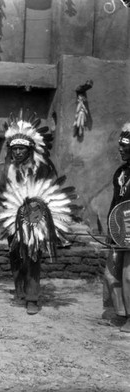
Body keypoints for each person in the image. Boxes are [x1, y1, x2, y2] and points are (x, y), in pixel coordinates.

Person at [0, 113, 58, 315]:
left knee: (32, 257)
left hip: (34, 218)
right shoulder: (8, 168)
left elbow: (49, 192)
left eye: (21, 148)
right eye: (14, 149)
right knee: (15, 254)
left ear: (30, 149)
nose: (17, 152)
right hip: (12, 217)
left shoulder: (41, 167)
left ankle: (32, 298)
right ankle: (20, 292)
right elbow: (3, 191)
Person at [104, 123, 130, 333]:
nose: (120, 149)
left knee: (129, 275)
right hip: (118, 230)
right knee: (111, 273)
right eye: (120, 145)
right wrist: (111, 228)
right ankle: (121, 314)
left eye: (126, 146)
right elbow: (116, 203)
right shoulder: (121, 172)